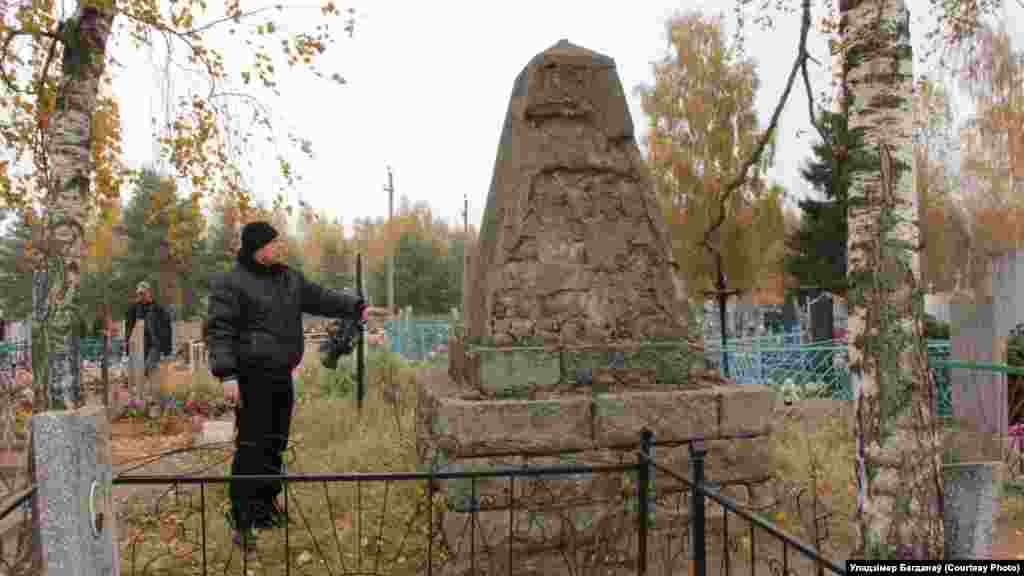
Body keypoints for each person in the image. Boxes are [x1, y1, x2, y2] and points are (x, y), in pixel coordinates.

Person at [206, 221, 381, 550]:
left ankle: (265, 508)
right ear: (258, 247)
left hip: (281, 375)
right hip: (250, 377)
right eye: (273, 243)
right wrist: (227, 375)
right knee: (252, 446)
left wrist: (355, 306)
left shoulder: (288, 279)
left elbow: (320, 297)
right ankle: (242, 516)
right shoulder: (231, 283)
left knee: (275, 443)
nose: (278, 247)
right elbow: (219, 330)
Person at [125, 281, 173, 378]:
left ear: (149, 293)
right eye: (139, 294)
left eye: (143, 293)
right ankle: (145, 389)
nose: (141, 296)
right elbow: (129, 328)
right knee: (138, 371)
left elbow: (167, 329)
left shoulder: (159, 309)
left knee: (148, 367)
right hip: (139, 345)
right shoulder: (133, 309)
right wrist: (128, 347)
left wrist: (167, 350)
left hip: (154, 345)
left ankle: (146, 387)